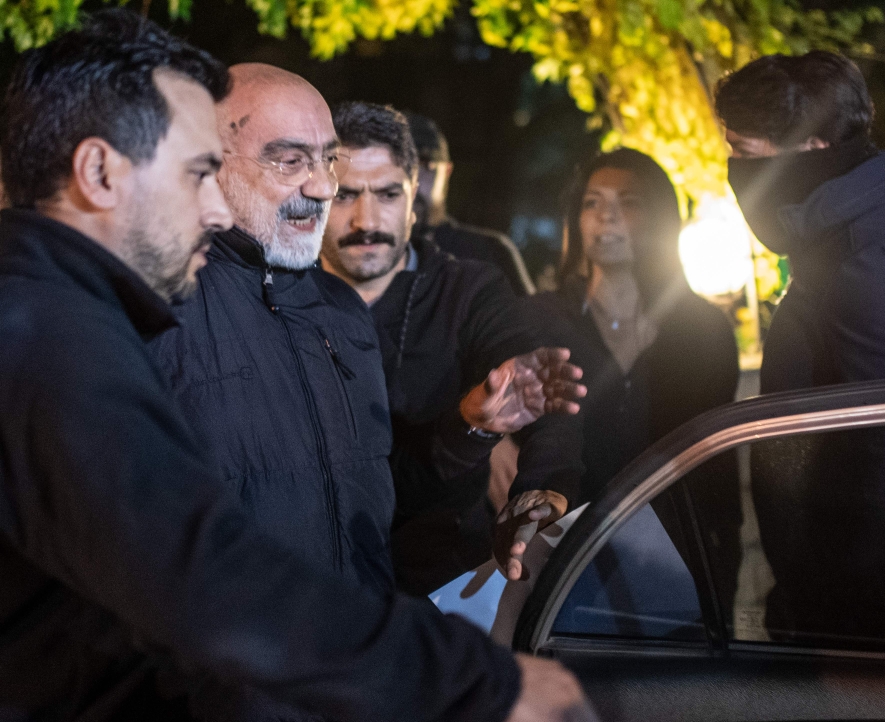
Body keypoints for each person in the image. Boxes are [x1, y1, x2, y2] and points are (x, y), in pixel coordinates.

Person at [0, 12, 594, 722]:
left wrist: (465, 433)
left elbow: (365, 499)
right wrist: (473, 680)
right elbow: (199, 572)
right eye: (196, 173)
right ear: (98, 172)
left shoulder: (327, 313)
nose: (213, 206)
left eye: (330, 161)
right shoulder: (49, 330)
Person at [148, 63, 588, 719]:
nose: (334, 197)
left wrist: (490, 441)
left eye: (381, 192)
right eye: (295, 163)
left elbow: (390, 492)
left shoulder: (380, 307)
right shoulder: (168, 306)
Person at [715, 51, 885, 642]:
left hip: (871, 620)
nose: (733, 173)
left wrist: (839, 618)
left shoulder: (869, 261)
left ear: (811, 150)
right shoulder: (841, 246)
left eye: (745, 156)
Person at [320, 102, 586, 592]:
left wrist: (538, 488)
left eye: (387, 194)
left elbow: (532, 388)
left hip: (442, 586)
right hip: (314, 585)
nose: (366, 218)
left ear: (414, 197)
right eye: (345, 196)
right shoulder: (285, 296)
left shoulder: (466, 290)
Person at [525, 148, 742, 613]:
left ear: (659, 218)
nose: (607, 217)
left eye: (628, 202)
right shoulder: (541, 320)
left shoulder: (703, 329)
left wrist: (725, 563)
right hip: (568, 560)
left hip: (676, 559)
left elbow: (718, 463)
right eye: (592, 202)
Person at [405, 112, 536, 296]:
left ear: (447, 172)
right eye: (404, 168)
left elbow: (529, 322)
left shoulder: (490, 254)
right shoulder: (366, 255)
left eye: (426, 166)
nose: (413, 181)